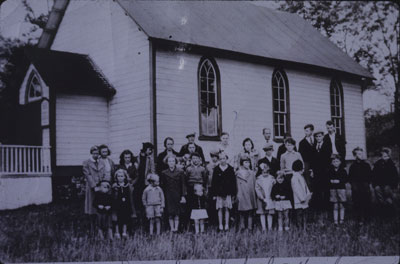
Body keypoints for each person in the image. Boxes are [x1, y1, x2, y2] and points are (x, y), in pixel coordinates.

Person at [83, 146, 109, 233]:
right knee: (91, 207)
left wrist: (104, 184)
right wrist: (94, 186)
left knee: (100, 206)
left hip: (101, 187)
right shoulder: (86, 163)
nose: (96, 155)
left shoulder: (101, 162)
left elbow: (105, 173)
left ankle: (100, 227)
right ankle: (92, 228)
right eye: (94, 153)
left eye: (97, 153)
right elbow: (88, 175)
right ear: (91, 153)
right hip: (92, 188)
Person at [210, 152, 237, 231]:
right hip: (219, 193)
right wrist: (214, 194)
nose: (222, 160)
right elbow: (214, 182)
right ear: (219, 160)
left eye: (224, 158)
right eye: (221, 159)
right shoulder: (216, 169)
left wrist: (233, 193)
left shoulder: (230, 169)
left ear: (227, 159)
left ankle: (227, 225)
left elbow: (233, 182)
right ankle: (220, 224)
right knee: (220, 209)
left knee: (227, 208)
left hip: (228, 192)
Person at [160, 155, 187, 232]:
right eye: (169, 161)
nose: (171, 163)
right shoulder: (164, 173)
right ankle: (172, 228)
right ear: (167, 162)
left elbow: (183, 184)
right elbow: (162, 185)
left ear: (175, 162)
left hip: (177, 194)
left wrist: (183, 196)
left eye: (173, 161)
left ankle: (176, 227)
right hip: (168, 194)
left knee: (177, 212)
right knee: (170, 212)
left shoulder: (180, 172)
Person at [348, 147, 372, 224]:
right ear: (355, 156)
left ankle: (367, 217)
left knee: (366, 200)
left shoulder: (366, 165)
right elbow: (350, 178)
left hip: (364, 184)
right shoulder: (352, 166)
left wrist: (367, 183)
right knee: (357, 200)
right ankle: (359, 218)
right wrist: (353, 185)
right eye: (358, 154)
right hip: (356, 185)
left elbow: (369, 176)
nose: (360, 155)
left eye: (361, 154)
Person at [371, 147, 399, 215]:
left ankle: (391, 209)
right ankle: (383, 208)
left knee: (387, 192)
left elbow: (395, 177)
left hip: (389, 185)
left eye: (386, 156)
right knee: (377, 190)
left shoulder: (391, 165)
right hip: (379, 184)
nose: (384, 158)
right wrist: (375, 185)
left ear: (388, 156)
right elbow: (374, 175)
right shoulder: (377, 164)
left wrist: (393, 185)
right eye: (383, 156)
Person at [310, 130, 332, 215]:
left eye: (320, 136)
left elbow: (328, 158)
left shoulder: (327, 145)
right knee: (317, 188)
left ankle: (326, 206)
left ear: (323, 137)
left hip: (325, 170)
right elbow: (312, 159)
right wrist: (312, 170)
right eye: (317, 137)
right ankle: (318, 206)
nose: (318, 138)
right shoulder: (314, 146)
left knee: (326, 188)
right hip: (316, 171)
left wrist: (327, 169)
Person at [185, 152, 208, 229]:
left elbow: (204, 178)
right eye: (193, 158)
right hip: (191, 188)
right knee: (191, 206)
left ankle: (201, 224)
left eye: (196, 158)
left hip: (200, 188)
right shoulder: (188, 168)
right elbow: (186, 178)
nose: (195, 160)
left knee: (200, 206)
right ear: (191, 159)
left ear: (199, 159)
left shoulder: (202, 168)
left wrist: (202, 187)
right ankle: (191, 223)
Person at [236, 155, 257, 230]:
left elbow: (254, 184)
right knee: (241, 211)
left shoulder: (251, 173)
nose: (247, 164)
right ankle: (242, 226)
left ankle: (250, 227)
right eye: (245, 162)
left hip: (250, 194)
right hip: (241, 193)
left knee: (250, 212)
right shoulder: (238, 173)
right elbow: (236, 185)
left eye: (248, 162)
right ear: (242, 163)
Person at [112, 169, 134, 239]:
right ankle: (117, 232)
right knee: (117, 219)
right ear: (116, 177)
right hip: (117, 204)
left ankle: (124, 232)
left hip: (125, 204)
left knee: (125, 218)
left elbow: (130, 196)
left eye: (122, 176)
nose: (120, 178)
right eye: (118, 176)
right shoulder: (115, 186)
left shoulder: (127, 186)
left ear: (125, 177)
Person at [136, 142, 156, 221]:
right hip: (137, 182)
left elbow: (153, 171)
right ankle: (139, 220)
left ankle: (146, 220)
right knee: (138, 201)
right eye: (149, 150)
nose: (150, 152)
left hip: (146, 183)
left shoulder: (150, 159)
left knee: (146, 201)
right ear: (145, 149)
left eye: (151, 150)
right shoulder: (137, 157)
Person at [291, 160, 312, 230]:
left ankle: (305, 227)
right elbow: (296, 189)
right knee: (299, 215)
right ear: (299, 168)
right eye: (302, 168)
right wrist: (302, 198)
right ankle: (300, 228)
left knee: (305, 214)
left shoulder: (301, 176)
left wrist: (308, 195)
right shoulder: (294, 178)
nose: (303, 170)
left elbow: (305, 187)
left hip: (305, 199)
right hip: (299, 200)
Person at [327, 154, 348, 225]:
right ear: (332, 163)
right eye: (334, 161)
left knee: (342, 204)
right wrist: (331, 181)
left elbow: (345, 179)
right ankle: (335, 220)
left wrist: (339, 181)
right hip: (333, 189)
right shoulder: (330, 171)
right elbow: (327, 179)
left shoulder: (343, 171)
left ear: (340, 162)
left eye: (337, 161)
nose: (336, 163)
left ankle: (341, 220)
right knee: (335, 205)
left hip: (341, 189)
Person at [255, 163, 276, 231]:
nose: (265, 173)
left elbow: (274, 188)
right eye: (264, 172)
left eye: (267, 172)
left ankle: (269, 227)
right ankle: (264, 227)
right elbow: (257, 189)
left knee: (269, 213)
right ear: (261, 172)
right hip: (262, 198)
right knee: (262, 213)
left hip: (269, 197)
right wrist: (261, 197)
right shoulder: (258, 179)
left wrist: (272, 196)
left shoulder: (272, 178)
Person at [298, 124, 316, 190]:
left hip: (316, 163)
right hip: (306, 164)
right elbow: (300, 155)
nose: (306, 132)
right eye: (305, 131)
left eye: (307, 131)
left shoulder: (316, 140)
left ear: (312, 131)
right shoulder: (302, 143)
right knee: (308, 181)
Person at [206, 149, 220, 225]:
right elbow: (206, 177)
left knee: (218, 204)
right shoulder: (208, 166)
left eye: (215, 157)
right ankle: (211, 220)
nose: (214, 158)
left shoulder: (220, 165)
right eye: (212, 157)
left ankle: (218, 221)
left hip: (219, 187)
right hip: (210, 186)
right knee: (211, 204)